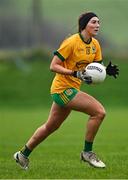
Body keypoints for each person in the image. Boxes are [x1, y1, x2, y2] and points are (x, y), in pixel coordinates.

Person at [14, 12, 119, 170]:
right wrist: (74, 73)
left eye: (99, 22)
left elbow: (94, 69)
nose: (98, 25)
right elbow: (53, 65)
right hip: (62, 89)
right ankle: (87, 153)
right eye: (94, 22)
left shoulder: (95, 45)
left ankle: (22, 154)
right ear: (84, 25)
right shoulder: (71, 42)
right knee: (99, 112)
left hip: (72, 88)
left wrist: (106, 71)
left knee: (51, 126)